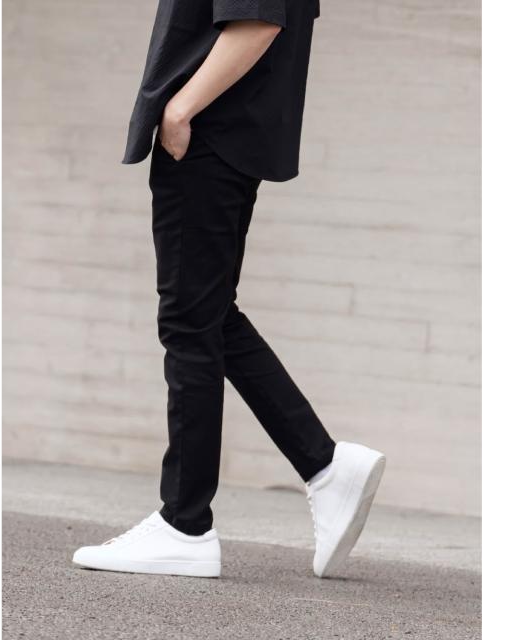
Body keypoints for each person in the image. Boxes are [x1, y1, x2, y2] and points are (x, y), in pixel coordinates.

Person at [72, 0, 385, 579]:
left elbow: (258, 18)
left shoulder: (199, 115)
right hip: (227, 133)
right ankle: (324, 465)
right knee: (209, 315)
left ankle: (185, 524)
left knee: (189, 323)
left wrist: (181, 107)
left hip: (207, 133)